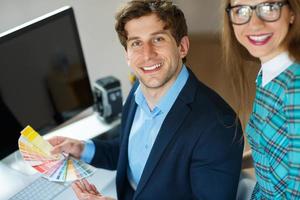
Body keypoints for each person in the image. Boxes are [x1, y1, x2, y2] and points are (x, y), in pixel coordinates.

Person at [49, 1, 244, 199]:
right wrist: (82, 149)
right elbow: (131, 153)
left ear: (182, 47)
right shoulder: (138, 92)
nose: (147, 55)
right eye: (136, 43)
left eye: (158, 39)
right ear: (127, 55)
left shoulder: (219, 126)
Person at [222, 0, 300, 199]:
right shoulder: (269, 73)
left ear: (292, 12)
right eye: (241, 10)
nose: (254, 23)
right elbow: (272, 152)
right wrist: (229, 163)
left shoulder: (295, 87)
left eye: (269, 7)